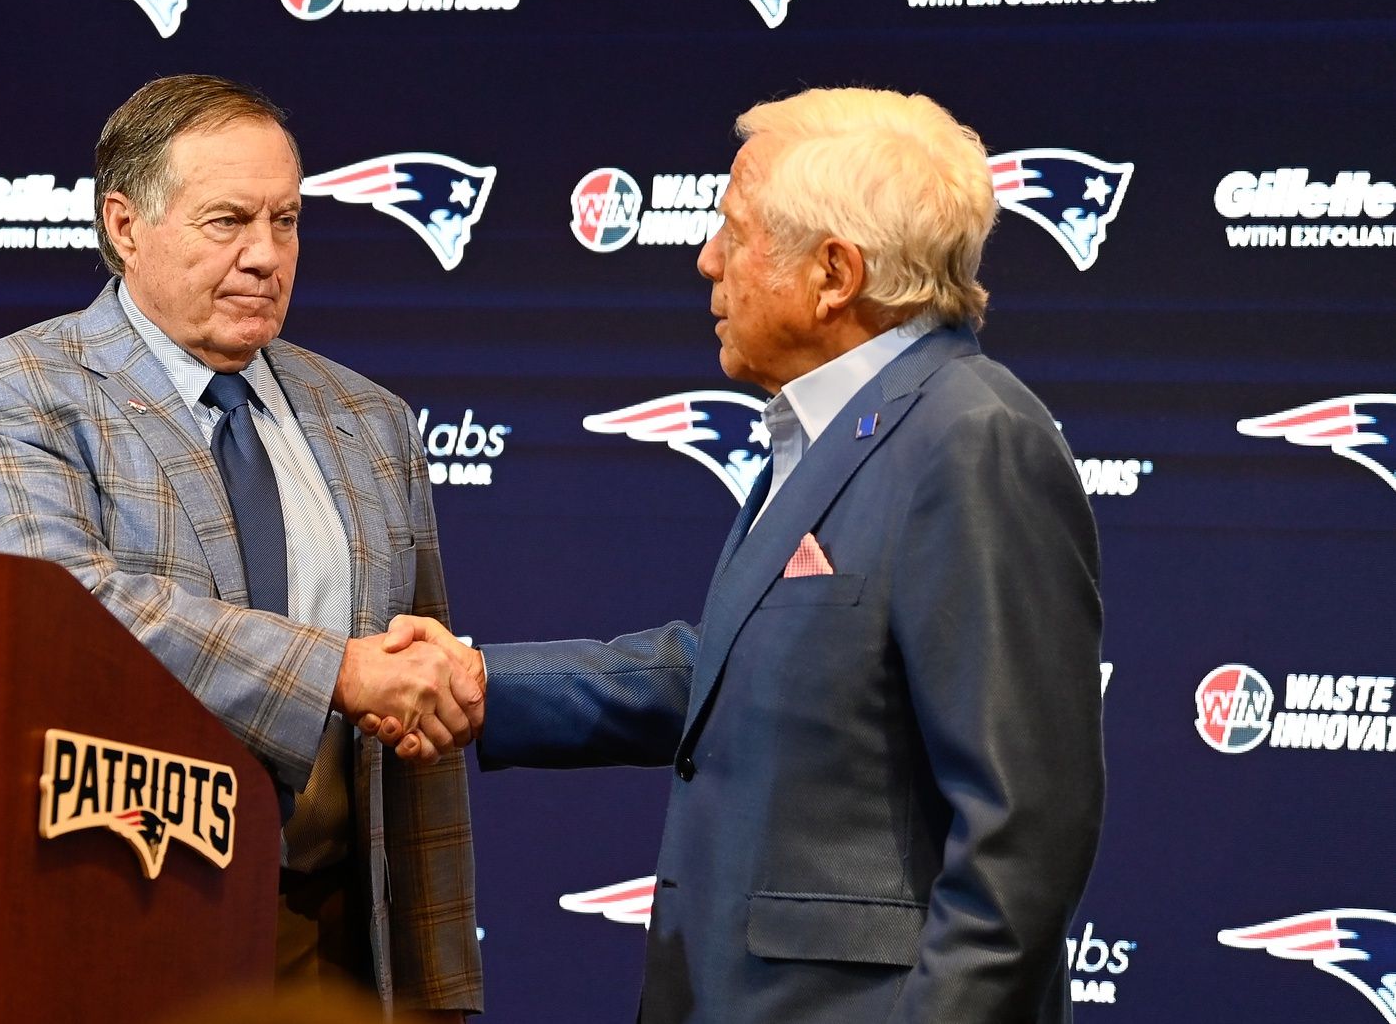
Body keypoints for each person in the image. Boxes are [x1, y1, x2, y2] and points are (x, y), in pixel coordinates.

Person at [376, 87, 1104, 1022]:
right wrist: (483, 682)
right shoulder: (835, 427)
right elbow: (732, 670)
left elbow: (1023, 837)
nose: (706, 258)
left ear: (833, 273)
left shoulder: (971, 438)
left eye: (734, 230)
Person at [0, 74, 481, 1020]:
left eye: (287, 220)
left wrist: (432, 980)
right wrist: (332, 674)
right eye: (227, 221)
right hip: (116, 921)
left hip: (333, 939)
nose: (265, 256)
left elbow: (413, 716)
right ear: (125, 225)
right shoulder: (7, 393)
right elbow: (65, 608)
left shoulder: (369, 419)